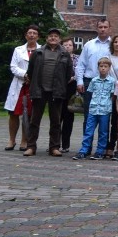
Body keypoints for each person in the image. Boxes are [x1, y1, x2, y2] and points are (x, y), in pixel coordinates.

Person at [25, 28, 73, 157]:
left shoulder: (65, 54)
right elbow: (30, 71)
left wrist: (60, 85)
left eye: (56, 36)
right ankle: (31, 147)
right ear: (46, 39)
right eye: (50, 36)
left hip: (56, 92)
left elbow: (69, 74)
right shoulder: (38, 53)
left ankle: (54, 147)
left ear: (59, 40)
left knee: (56, 121)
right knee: (34, 121)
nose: (53, 38)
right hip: (39, 90)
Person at [5, 24, 40, 151]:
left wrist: (32, 77)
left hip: (33, 86)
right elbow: (13, 67)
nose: (31, 35)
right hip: (19, 85)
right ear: (26, 35)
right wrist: (25, 75)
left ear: (38, 36)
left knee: (29, 114)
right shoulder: (18, 49)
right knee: (14, 113)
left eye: (34, 33)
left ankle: (24, 141)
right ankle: (11, 140)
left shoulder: (41, 50)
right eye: (29, 33)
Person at [73, 58, 115, 160]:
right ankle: (84, 150)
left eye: (105, 67)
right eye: (101, 66)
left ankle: (100, 151)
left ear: (109, 68)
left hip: (105, 110)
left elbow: (113, 95)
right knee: (88, 130)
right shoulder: (94, 80)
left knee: (103, 132)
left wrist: (109, 105)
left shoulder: (112, 81)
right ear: (98, 68)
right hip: (93, 109)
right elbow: (90, 92)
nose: (103, 69)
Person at [75, 20, 112, 122]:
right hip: (90, 81)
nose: (103, 29)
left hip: (108, 83)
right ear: (97, 29)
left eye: (105, 27)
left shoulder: (114, 45)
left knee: (105, 116)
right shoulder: (89, 45)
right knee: (88, 115)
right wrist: (79, 81)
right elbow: (81, 64)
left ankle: (103, 138)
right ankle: (87, 138)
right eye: (100, 27)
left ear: (109, 28)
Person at [59, 37, 79, 152]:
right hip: (59, 88)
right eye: (65, 45)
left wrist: (73, 77)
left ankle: (65, 145)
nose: (67, 47)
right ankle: (55, 143)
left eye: (70, 45)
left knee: (68, 118)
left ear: (73, 47)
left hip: (71, 89)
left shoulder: (78, 58)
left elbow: (81, 70)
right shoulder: (58, 57)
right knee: (57, 117)